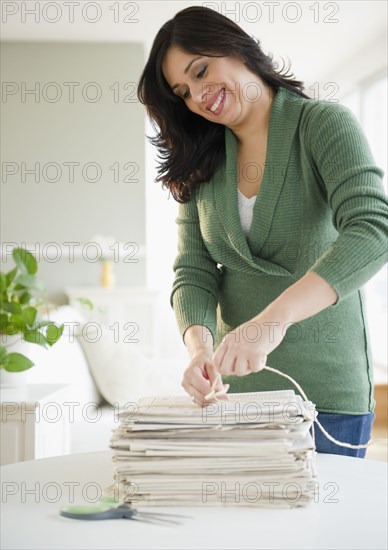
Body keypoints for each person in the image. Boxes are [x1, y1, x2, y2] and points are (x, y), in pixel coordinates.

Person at [137, 6, 388, 457]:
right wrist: (199, 350)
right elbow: (192, 270)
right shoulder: (203, 163)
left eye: (201, 70)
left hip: (326, 394)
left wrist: (269, 325)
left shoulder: (322, 124)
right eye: (184, 92)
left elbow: (373, 230)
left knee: (326, 526)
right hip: (236, 396)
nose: (198, 95)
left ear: (238, 47)